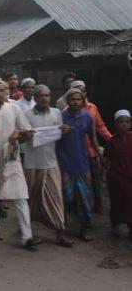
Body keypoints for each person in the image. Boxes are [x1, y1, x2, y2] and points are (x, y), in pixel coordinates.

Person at [0, 81, 41, 248]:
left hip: (12, 157)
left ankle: (27, 236)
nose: (0, 94)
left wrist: (19, 132)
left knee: (20, 196)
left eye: (3, 90)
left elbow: (28, 132)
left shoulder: (15, 109)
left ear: (7, 92)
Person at [23, 85, 73, 247]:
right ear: (35, 98)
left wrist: (63, 132)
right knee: (30, 199)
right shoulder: (26, 114)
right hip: (31, 163)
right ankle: (26, 231)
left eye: (47, 96)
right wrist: (26, 134)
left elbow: (58, 137)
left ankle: (60, 232)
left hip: (51, 163)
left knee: (56, 199)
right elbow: (22, 139)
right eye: (41, 96)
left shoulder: (57, 113)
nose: (44, 99)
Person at [56, 88, 100, 242]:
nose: (76, 102)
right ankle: (62, 229)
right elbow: (52, 139)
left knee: (85, 197)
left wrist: (99, 156)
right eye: (72, 99)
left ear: (82, 101)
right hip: (64, 163)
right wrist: (60, 134)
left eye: (78, 99)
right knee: (65, 198)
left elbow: (93, 138)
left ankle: (84, 228)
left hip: (82, 163)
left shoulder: (87, 118)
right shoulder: (59, 117)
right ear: (67, 101)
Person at [70, 80, 112, 213]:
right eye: (77, 91)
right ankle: (79, 207)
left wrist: (112, 140)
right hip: (76, 152)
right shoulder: (67, 111)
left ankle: (98, 206)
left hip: (92, 151)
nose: (81, 94)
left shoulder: (92, 108)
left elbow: (100, 127)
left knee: (96, 179)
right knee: (79, 181)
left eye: (83, 91)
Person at [105, 110, 132, 239]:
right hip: (115, 177)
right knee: (116, 202)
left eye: (127, 122)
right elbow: (106, 159)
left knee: (130, 202)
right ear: (116, 124)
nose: (124, 125)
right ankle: (115, 224)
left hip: (130, 177)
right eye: (121, 122)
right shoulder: (111, 141)